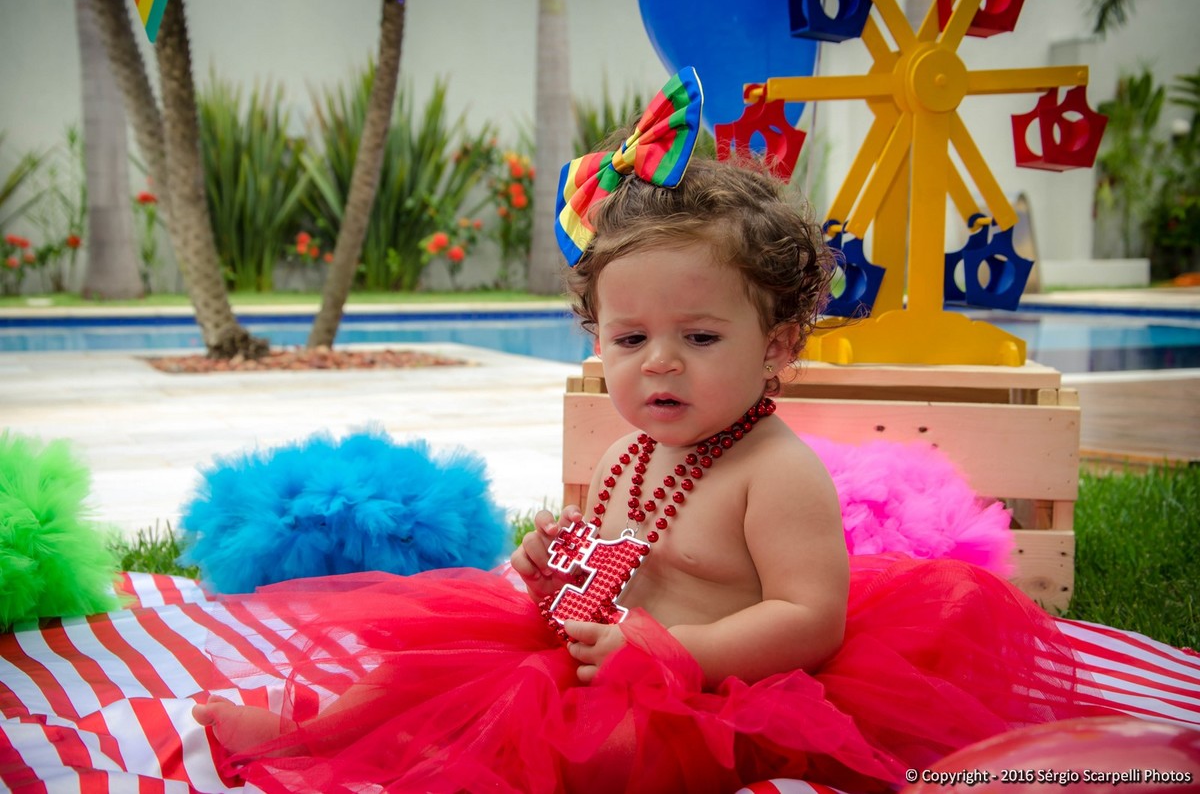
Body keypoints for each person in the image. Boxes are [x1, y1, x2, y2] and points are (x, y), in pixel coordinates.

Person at [192, 68, 1099, 794]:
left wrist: (672, 653)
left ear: (777, 344)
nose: (659, 364)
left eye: (699, 338)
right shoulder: (630, 451)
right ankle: (313, 731)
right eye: (630, 340)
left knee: (606, 758)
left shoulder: (775, 472)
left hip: (717, 689)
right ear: (598, 338)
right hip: (604, 657)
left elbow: (811, 620)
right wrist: (549, 569)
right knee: (423, 670)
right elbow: (613, 570)